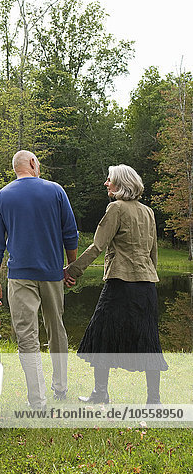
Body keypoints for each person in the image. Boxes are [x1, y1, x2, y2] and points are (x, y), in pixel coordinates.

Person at [64, 164, 168, 405]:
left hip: (120, 284)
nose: (106, 183)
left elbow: (97, 246)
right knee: (148, 339)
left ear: (121, 185)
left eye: (109, 180)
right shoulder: (148, 212)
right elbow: (153, 253)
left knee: (102, 334)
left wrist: (72, 270)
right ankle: (154, 400)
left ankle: (101, 394)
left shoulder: (116, 208)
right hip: (146, 286)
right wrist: (150, 276)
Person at [0, 150, 78, 409]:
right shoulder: (56, 191)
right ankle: (60, 387)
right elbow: (70, 234)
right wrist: (69, 267)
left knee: (27, 336)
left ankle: (37, 400)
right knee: (56, 328)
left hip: (20, 277)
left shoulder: (0, 198)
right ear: (33, 164)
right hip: (52, 275)